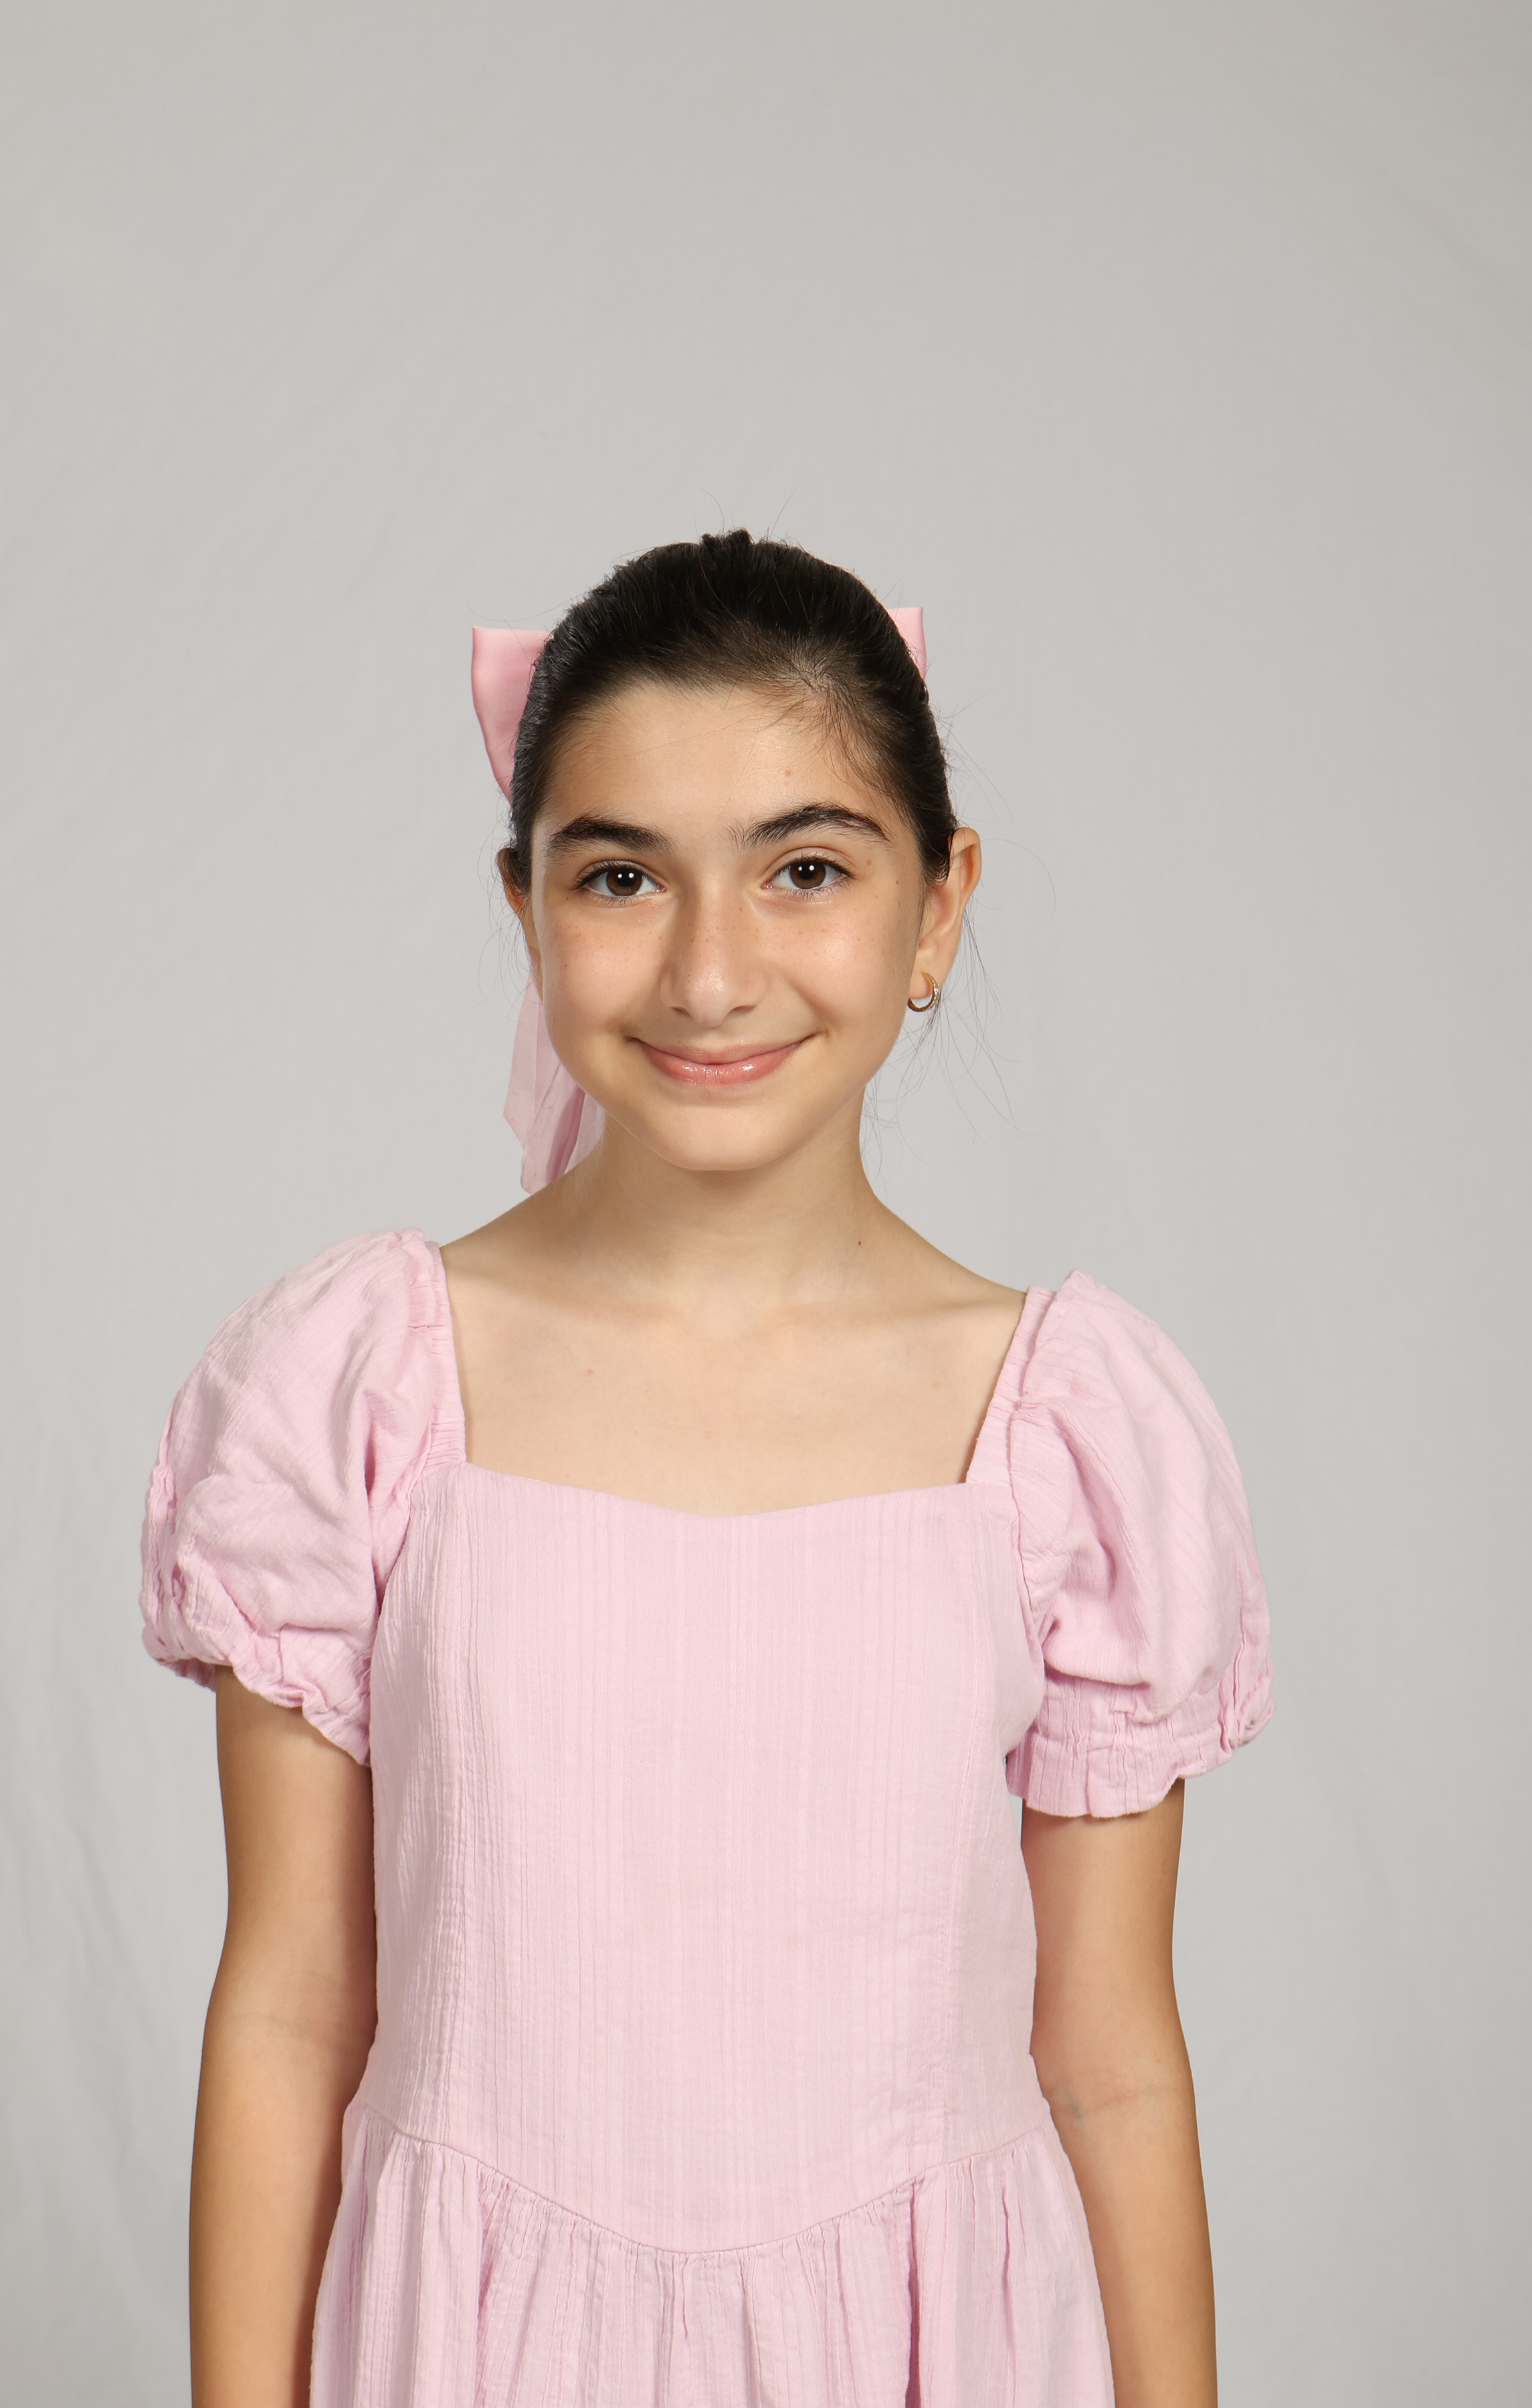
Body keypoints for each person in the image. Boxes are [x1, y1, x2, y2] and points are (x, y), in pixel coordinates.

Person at [140, 530, 1273, 2408]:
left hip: (936, 2353)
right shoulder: (363, 1390)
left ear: (938, 906)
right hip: (473, 2351)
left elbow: (1111, 2063)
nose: (712, 970)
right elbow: (289, 2011)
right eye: (621, 876)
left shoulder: (1057, 1428)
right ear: (525, 907)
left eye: (805, 869)